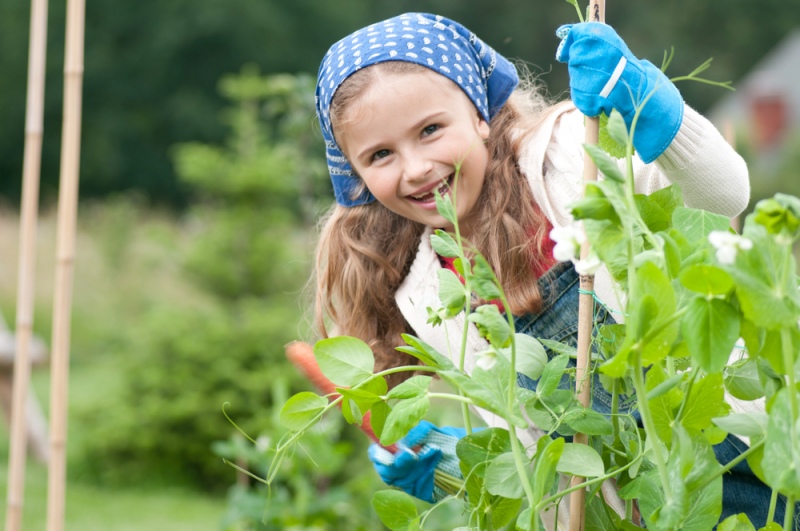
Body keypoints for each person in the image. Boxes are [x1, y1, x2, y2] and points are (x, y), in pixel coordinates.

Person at [311, 12, 781, 529]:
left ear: (479, 115)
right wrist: (468, 465)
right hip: (634, 514)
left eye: (430, 130)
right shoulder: (423, 291)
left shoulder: (567, 156)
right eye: (380, 155)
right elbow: (548, 455)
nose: (416, 167)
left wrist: (651, 105)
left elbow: (723, 198)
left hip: (745, 458)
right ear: (355, 177)